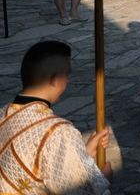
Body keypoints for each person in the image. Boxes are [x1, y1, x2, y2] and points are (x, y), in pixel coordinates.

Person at [0, 40, 111, 194]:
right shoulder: (59, 133)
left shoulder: (3, 113)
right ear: (55, 80)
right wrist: (102, 179)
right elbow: (79, 190)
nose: (68, 80)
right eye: (67, 75)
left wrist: (83, 153)